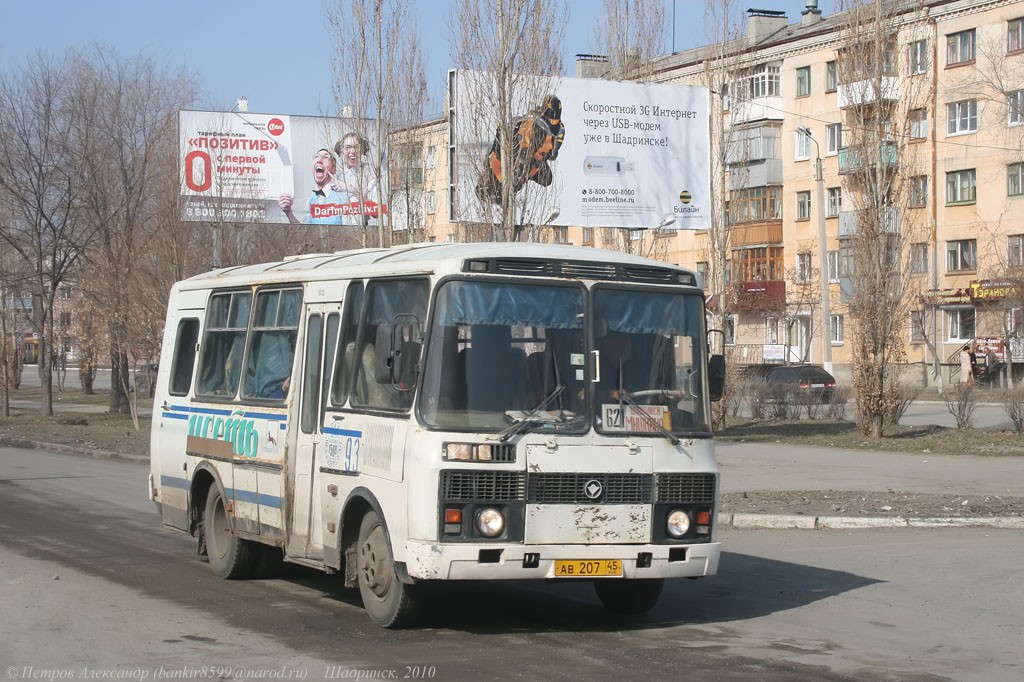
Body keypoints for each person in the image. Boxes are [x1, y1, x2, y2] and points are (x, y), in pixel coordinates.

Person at [476, 94, 565, 205]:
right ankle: (495, 166)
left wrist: (545, 156)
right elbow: (517, 124)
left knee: (546, 179)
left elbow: (553, 153)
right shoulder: (532, 117)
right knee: (501, 144)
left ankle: (518, 182)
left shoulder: (559, 130)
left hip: (536, 159)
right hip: (518, 149)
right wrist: (514, 132)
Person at [278, 148, 345, 225]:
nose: (319, 159)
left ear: (334, 169)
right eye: (316, 156)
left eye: (326, 157)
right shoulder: (311, 200)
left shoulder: (343, 197)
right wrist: (289, 213)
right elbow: (304, 233)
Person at [332, 132, 379, 225]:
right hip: (339, 230)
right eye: (348, 147)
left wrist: (351, 189)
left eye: (356, 147)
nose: (352, 151)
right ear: (341, 150)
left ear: (361, 150)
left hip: (361, 230)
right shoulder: (339, 177)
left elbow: (376, 212)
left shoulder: (370, 172)